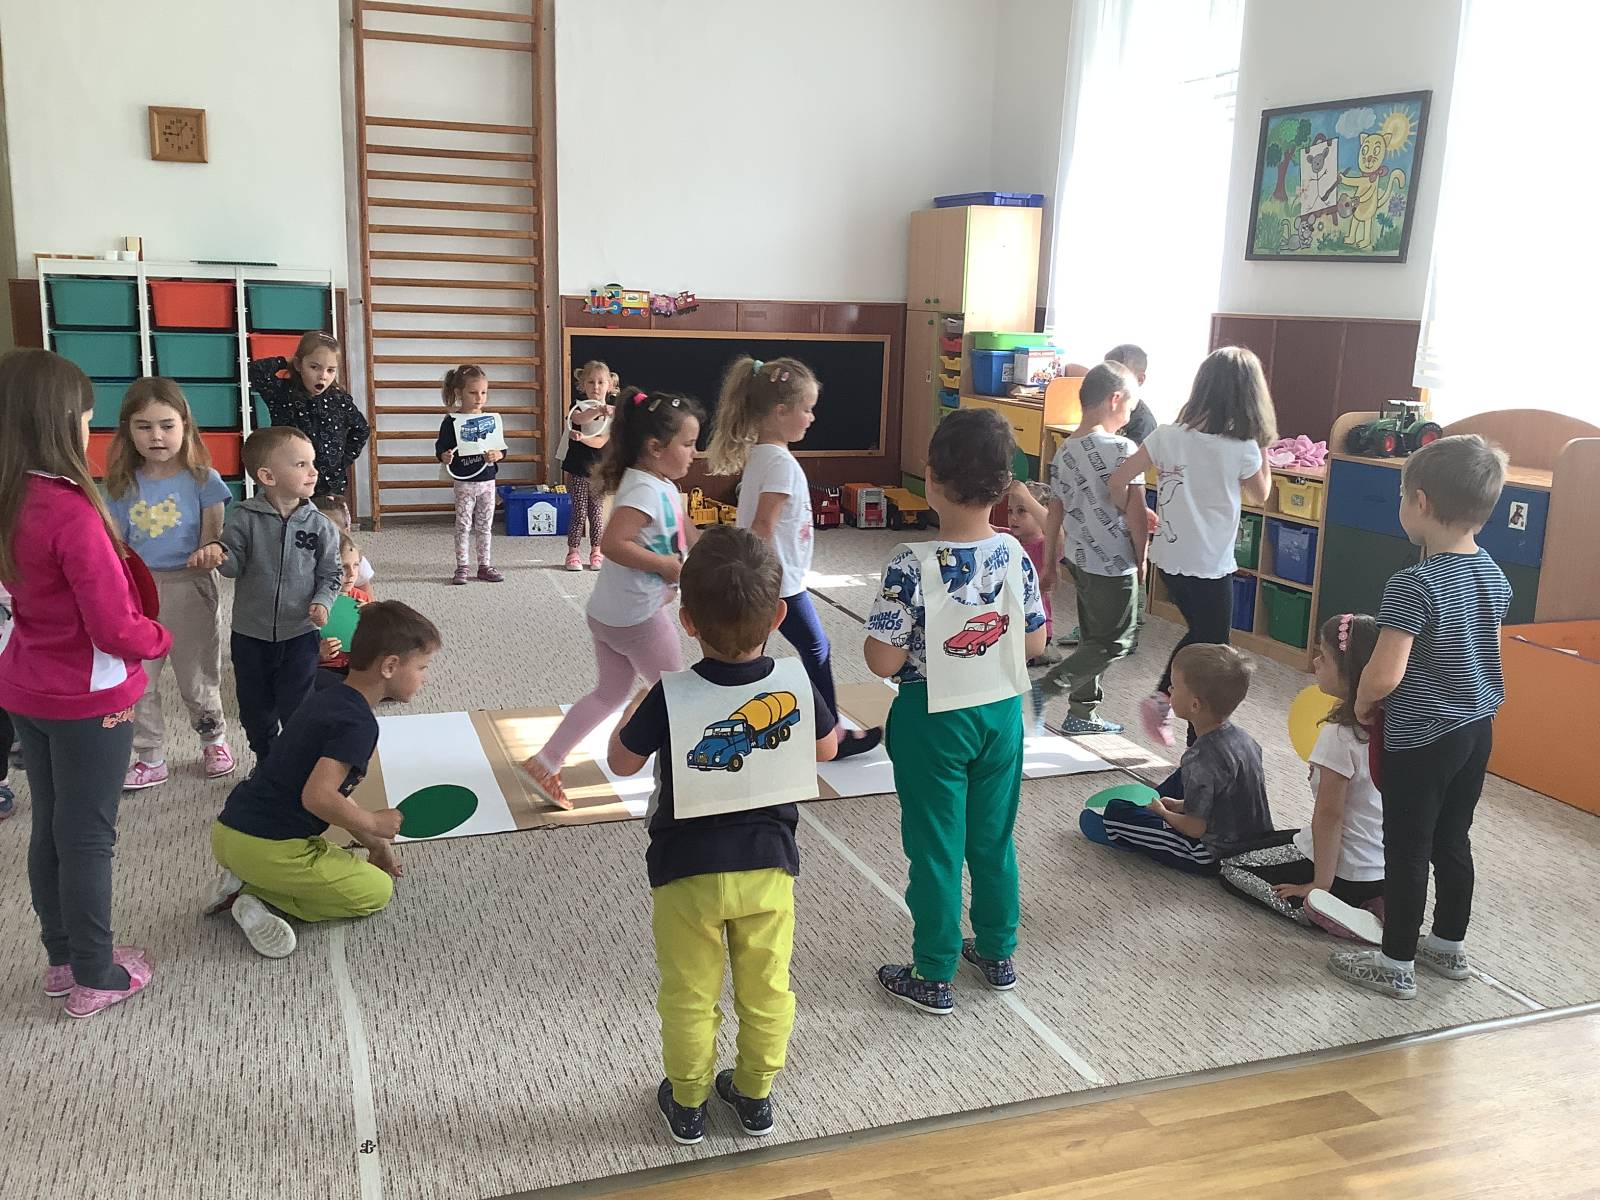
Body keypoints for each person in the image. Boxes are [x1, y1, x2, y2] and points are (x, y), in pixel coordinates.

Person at [610, 525, 838, 1145]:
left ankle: (688, 1103)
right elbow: (826, 747)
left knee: (689, 992)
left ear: (686, 621)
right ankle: (755, 1094)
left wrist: (635, 705)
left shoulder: (670, 694)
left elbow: (621, 762)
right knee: (768, 990)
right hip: (769, 868)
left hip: (685, 872)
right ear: (779, 616)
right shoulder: (793, 681)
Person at [0, 349, 170, 1017]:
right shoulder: (71, 512)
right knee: (88, 837)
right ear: (61, 421)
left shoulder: (10, 497)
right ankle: (98, 972)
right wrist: (158, 639)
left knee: (52, 827)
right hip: (88, 698)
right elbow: (115, 627)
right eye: (86, 418)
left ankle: (64, 958)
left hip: (25, 686)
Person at [864, 408, 1048, 1015]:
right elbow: (1035, 643)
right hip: (1001, 713)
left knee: (936, 848)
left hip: (933, 720)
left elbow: (884, 660)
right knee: (993, 840)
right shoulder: (1016, 553)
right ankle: (997, 952)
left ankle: (933, 970)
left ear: (930, 478)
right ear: (1004, 487)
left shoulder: (910, 562)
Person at [1329, 435, 1511, 1001]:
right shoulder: (1492, 572)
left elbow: (1386, 672)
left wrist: (1362, 702)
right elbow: (1485, 649)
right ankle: (1448, 944)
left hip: (1423, 736)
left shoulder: (1414, 583)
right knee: (1452, 838)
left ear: (1422, 502)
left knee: (1406, 847)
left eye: (1402, 496)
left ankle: (1396, 961)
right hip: (1476, 727)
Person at [205, 601, 439, 958]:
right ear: (390, 666)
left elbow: (335, 794)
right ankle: (257, 897)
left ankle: (244, 876)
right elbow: (318, 798)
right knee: (376, 891)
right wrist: (374, 822)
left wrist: (376, 845)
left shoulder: (327, 697)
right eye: (422, 667)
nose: (425, 677)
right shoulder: (359, 725)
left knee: (329, 854)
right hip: (267, 849)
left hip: (228, 833)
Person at [521, 390, 702, 810]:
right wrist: (666, 566)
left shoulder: (662, 485)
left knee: (609, 693)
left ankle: (546, 761)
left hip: (610, 614)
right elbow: (614, 543)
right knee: (677, 694)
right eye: (688, 444)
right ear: (655, 448)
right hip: (638, 618)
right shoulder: (642, 489)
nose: (695, 453)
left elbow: (688, 532)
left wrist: (719, 550)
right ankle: (687, 776)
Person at [709, 355, 881, 760]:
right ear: (780, 412)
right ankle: (831, 734)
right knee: (816, 649)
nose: (811, 417)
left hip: (771, 580)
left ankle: (738, 719)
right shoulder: (780, 465)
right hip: (779, 584)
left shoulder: (763, 456)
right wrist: (760, 583)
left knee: (746, 656)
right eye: (806, 409)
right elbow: (762, 527)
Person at [1107, 347, 1276, 747]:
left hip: (1168, 560)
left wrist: (1140, 510)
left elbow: (1118, 480)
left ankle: (1175, 713)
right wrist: (1262, 445)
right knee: (1213, 649)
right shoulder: (1242, 447)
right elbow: (1262, 494)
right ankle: (1173, 709)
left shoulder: (1167, 435)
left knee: (1204, 639)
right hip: (1209, 563)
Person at [103, 378, 236, 788]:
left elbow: (214, 539)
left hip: (189, 587)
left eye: (166, 425)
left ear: (185, 426)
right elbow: (115, 547)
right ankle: (150, 754)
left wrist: (210, 551)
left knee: (197, 676)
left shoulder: (204, 480)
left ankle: (213, 740)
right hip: (137, 593)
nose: (156, 436)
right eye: (144, 426)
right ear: (128, 430)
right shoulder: (121, 485)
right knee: (139, 679)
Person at [1219, 614, 1385, 937]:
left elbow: (1329, 815)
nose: (1315, 662)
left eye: (1324, 656)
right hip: (1379, 870)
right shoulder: (1390, 724)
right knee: (1259, 841)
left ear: (1350, 671)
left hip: (1343, 873)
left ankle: (1322, 910)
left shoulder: (1340, 735)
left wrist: (1319, 886)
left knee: (1230, 865)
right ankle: (1369, 901)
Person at [213, 427, 343, 765]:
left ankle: (296, 764)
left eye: (312, 463)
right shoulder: (244, 517)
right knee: (255, 709)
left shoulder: (320, 525)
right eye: (301, 464)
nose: (313, 471)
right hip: (250, 635)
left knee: (297, 707)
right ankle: (267, 761)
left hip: (299, 634)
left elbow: (332, 574)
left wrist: (323, 601)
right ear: (267, 476)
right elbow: (232, 567)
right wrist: (220, 555)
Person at [1081, 644, 1271, 875]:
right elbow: (1228, 798)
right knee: (1182, 777)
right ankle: (1146, 812)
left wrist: (1165, 814)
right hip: (1253, 841)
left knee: (1116, 811)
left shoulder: (1200, 758)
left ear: (1195, 704)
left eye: (1174, 686)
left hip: (1212, 855)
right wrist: (1181, 805)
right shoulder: (1245, 740)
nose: (1169, 689)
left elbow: (1195, 828)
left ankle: (1117, 832)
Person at [1038, 362, 1147, 735]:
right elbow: (1136, 514)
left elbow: (1054, 512)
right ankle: (1047, 688)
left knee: (1091, 636)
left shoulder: (1064, 451)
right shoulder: (1123, 449)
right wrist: (1142, 558)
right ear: (1115, 399)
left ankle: (1081, 713)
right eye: (1130, 408)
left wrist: (1050, 563)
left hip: (1079, 560)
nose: (1129, 417)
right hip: (1114, 563)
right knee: (1116, 641)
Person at [249, 332, 369, 519]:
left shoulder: (339, 400)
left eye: (331, 370)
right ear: (299, 365)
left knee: (331, 529)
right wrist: (287, 362)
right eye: (314, 367)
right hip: (290, 482)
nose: (323, 376)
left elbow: (361, 429)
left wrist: (342, 461)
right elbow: (256, 371)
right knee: (290, 525)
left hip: (328, 486)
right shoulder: (282, 392)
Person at [435, 363, 505, 585]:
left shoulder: (491, 420)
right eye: (473, 392)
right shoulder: (451, 421)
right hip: (464, 483)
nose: (479, 398)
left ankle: (484, 565)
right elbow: (441, 447)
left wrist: (498, 455)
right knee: (463, 525)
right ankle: (462, 566)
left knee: (485, 526)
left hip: (488, 482)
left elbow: (502, 448)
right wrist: (444, 456)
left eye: (483, 392)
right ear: (459, 393)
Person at [560, 360, 617, 571]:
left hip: (599, 471)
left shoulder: (613, 414)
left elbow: (601, 441)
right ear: (583, 385)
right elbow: (580, 418)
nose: (596, 387)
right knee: (578, 512)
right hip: (577, 468)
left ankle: (596, 551)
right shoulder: (577, 407)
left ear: (609, 385)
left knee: (597, 514)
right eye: (591, 382)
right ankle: (573, 552)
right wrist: (598, 410)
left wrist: (583, 438)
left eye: (601, 382)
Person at [317, 531, 374, 684]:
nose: (352, 573)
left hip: (356, 666)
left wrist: (374, 617)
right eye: (344, 567)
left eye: (356, 565)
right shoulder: (313, 602)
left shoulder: (362, 598)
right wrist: (318, 654)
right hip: (325, 667)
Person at [312, 493, 374, 593]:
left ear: (346, 529)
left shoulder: (354, 560)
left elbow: (368, 599)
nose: (330, 535)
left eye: (336, 529)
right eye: (323, 529)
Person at [1104, 343, 1156, 446]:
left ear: (1140, 379)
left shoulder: (1143, 424)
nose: (1109, 381)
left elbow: (1133, 456)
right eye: (1105, 373)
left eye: (1118, 376)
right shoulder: (1101, 404)